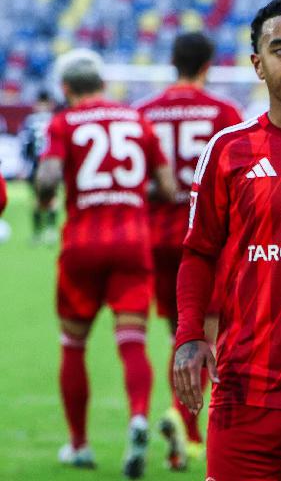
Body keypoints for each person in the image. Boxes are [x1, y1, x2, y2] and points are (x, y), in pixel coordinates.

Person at [172, 0, 281, 481]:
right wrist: (189, 335)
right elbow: (198, 252)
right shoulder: (229, 149)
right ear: (257, 64)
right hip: (246, 386)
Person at [34, 52, 176, 478]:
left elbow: (48, 178)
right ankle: (138, 417)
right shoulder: (137, 120)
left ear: (66, 89)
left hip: (82, 244)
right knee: (132, 341)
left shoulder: (64, 122)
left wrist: (47, 198)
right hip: (133, 243)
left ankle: (79, 445)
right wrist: (129, 193)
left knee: (73, 344)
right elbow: (168, 187)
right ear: (103, 83)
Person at [134, 32, 242, 470]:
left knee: (178, 334)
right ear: (208, 65)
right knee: (204, 336)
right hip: (204, 240)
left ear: (172, 61)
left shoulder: (143, 112)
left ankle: (182, 430)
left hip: (156, 238)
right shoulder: (224, 113)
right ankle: (185, 425)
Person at [20, 89, 58, 242]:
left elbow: (25, 144)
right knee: (51, 197)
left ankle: (39, 232)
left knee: (38, 198)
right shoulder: (55, 119)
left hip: (37, 164)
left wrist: (24, 165)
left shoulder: (30, 121)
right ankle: (49, 231)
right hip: (52, 163)